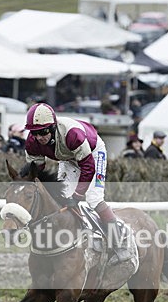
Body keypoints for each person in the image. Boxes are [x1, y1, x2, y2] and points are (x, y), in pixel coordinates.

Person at [24, 102, 133, 265]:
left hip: (93, 153)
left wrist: (77, 195)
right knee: (62, 196)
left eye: (43, 132)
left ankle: (120, 243)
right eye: (35, 133)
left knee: (93, 198)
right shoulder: (32, 142)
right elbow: (36, 172)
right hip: (68, 157)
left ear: (53, 128)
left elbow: (88, 167)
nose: (39, 137)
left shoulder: (72, 134)